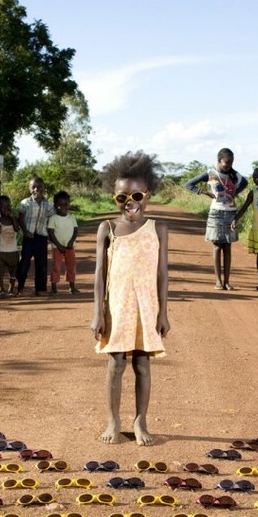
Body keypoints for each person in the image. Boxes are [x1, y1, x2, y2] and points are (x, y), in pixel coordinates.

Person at [91, 153, 170, 446]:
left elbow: (163, 274)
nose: (130, 201)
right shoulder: (107, 229)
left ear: (148, 195)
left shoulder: (158, 229)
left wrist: (163, 313)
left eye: (137, 194)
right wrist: (98, 313)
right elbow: (100, 275)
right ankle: (113, 419)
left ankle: (140, 420)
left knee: (143, 365)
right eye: (122, 196)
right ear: (114, 197)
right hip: (117, 307)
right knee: (116, 364)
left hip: (146, 308)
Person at [184, 148, 248, 290]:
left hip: (231, 213)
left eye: (231, 162)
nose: (229, 165)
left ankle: (227, 282)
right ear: (219, 160)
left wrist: (233, 193)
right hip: (216, 213)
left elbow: (245, 183)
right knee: (217, 246)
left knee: (228, 247)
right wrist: (204, 192)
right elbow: (188, 184)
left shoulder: (234, 175)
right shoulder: (210, 173)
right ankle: (218, 281)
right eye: (227, 162)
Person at [17, 177, 55, 296]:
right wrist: (25, 231)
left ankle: (40, 289)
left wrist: (49, 235)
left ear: (44, 188)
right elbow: (20, 219)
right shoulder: (25, 203)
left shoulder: (49, 205)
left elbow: (51, 221)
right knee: (24, 263)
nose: (36, 189)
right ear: (30, 189)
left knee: (42, 264)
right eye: (33, 187)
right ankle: (20, 288)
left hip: (41, 238)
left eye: (39, 187)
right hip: (28, 237)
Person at [47, 190, 79, 294]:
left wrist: (71, 242)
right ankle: (54, 287)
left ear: (69, 204)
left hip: (70, 247)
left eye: (66, 204)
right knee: (56, 267)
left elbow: (75, 230)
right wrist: (58, 245)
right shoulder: (53, 218)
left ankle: (72, 286)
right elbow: (51, 233)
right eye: (60, 204)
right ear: (55, 205)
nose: (63, 206)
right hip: (57, 248)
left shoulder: (71, 217)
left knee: (71, 266)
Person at [0, 195, 20, 296]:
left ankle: (11, 290)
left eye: (8, 206)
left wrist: (13, 217)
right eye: (3, 207)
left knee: (13, 272)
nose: (7, 208)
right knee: (0, 272)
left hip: (13, 251)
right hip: (1, 251)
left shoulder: (14, 219)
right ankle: (1, 289)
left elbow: (17, 229)